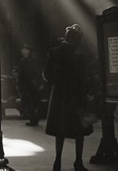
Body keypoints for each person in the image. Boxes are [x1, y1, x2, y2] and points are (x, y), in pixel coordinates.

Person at [43, 24, 93, 171]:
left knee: (60, 131)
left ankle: (57, 162)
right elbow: (84, 79)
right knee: (79, 132)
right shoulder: (80, 55)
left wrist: (56, 84)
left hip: (59, 97)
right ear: (78, 40)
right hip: (76, 97)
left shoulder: (54, 52)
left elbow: (46, 75)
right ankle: (78, 162)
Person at [18, 43, 42, 126]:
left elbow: (32, 73)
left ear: (28, 50)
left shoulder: (27, 61)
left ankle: (33, 119)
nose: (22, 51)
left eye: (24, 49)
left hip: (29, 84)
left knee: (30, 102)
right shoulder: (27, 60)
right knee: (30, 103)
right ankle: (33, 119)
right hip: (30, 84)